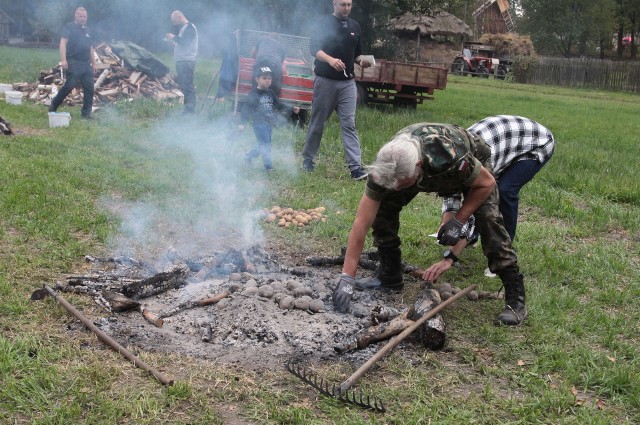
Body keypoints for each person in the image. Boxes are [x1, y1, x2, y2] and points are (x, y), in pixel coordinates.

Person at [332, 122, 527, 326]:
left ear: (418, 166)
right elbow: (361, 222)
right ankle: (390, 276)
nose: (396, 187)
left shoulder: (447, 156)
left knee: (488, 218)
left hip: (471, 159)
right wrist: (347, 278)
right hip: (415, 168)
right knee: (383, 209)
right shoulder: (387, 165)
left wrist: (459, 219)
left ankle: (515, 298)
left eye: (402, 182)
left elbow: (486, 184)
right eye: (393, 182)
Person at [423, 116, 555, 282]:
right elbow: (451, 191)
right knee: (472, 191)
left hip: (536, 142)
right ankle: (472, 238)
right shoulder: (448, 161)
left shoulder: (475, 162)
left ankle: (502, 253)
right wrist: (447, 224)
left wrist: (450, 257)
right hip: (504, 140)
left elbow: (478, 202)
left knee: (504, 191)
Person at [301, 0, 373, 180]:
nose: (346, 8)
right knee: (318, 122)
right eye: (343, 5)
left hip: (348, 83)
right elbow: (314, 49)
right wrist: (331, 60)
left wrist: (362, 61)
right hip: (325, 80)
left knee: (349, 124)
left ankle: (355, 168)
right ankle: (308, 159)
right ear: (334, 4)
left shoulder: (355, 26)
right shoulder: (322, 23)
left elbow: (357, 54)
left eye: (349, 5)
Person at [238, 67, 300, 172]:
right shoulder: (253, 93)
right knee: (265, 145)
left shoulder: (270, 93)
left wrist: (292, 108)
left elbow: (279, 105)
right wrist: (241, 123)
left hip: (268, 123)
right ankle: (268, 167)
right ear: (257, 79)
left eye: (269, 78)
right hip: (259, 124)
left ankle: (248, 156)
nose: (267, 80)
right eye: (264, 78)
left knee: (263, 145)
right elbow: (246, 108)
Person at [48, 6, 96, 119]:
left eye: (84, 16)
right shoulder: (69, 27)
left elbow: (90, 48)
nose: (83, 18)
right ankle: (53, 105)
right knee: (69, 86)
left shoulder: (88, 30)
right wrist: (63, 60)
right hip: (74, 62)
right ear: (76, 16)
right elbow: (63, 43)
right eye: (81, 16)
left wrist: (94, 63)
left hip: (86, 63)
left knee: (89, 88)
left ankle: (86, 114)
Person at [165, 10, 198, 114]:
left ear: (179, 17)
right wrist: (175, 44)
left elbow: (186, 42)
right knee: (184, 85)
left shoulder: (190, 27)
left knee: (188, 85)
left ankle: (190, 110)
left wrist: (173, 37)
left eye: (173, 20)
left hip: (187, 61)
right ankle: (187, 109)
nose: (173, 23)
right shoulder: (184, 28)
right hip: (182, 61)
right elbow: (182, 43)